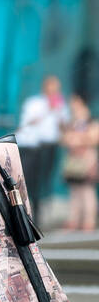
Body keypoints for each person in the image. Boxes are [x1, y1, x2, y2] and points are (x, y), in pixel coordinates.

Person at [16, 74, 69, 231]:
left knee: (42, 180)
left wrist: (59, 113)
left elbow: (63, 128)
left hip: (48, 147)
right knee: (27, 180)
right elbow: (28, 123)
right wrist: (48, 109)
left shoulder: (60, 106)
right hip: (30, 147)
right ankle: (25, 214)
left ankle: (38, 216)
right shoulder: (34, 103)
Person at [59, 92, 99, 232]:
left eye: (75, 102)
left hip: (87, 157)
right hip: (74, 159)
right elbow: (64, 139)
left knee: (87, 190)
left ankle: (89, 221)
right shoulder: (72, 122)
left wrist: (78, 140)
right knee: (75, 190)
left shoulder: (90, 120)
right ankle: (74, 219)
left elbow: (94, 138)